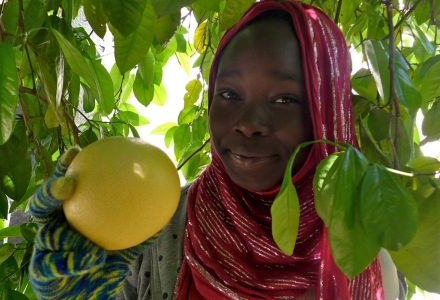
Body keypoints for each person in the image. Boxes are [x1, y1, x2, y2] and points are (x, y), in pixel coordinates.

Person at [28, 0, 406, 299]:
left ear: (327, 113)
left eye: (285, 99)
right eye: (229, 94)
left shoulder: (365, 262)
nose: (248, 122)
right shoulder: (155, 225)